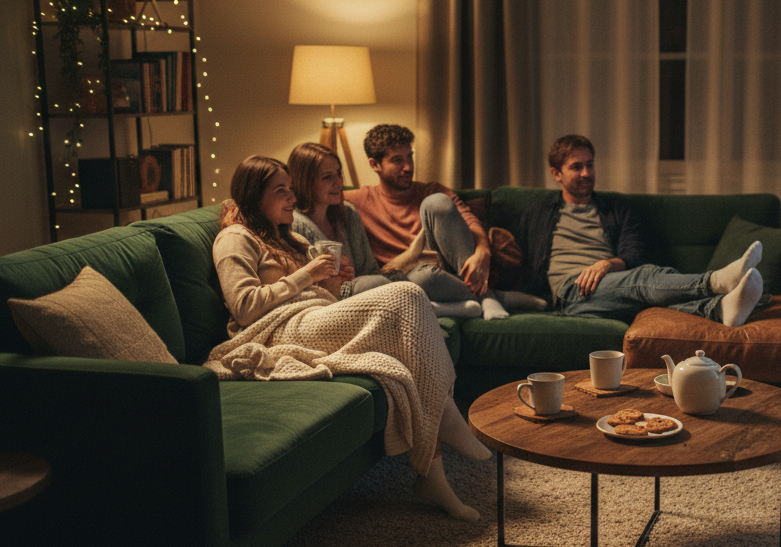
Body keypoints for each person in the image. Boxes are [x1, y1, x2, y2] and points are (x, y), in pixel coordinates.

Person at [208, 154, 491, 522]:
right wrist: (306, 275)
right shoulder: (234, 238)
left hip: (315, 316)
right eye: (281, 191)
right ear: (253, 197)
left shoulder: (287, 236)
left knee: (402, 352)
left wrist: (331, 279)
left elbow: (320, 290)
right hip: (278, 329)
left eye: (291, 189)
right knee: (405, 296)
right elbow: (244, 306)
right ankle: (446, 412)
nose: (292, 198)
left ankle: (431, 476)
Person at [517, 134, 765, 326]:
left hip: (607, 290)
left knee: (651, 306)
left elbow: (633, 252)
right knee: (640, 279)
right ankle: (717, 280)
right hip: (570, 291)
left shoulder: (617, 208)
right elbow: (519, 261)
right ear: (556, 173)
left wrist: (608, 264)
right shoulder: (538, 213)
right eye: (576, 167)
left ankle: (721, 309)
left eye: (590, 165)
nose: (586, 173)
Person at [345, 124, 546, 319]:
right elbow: (316, 199)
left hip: (451, 273)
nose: (408, 167)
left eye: (410, 157)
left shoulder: (431, 189)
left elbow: (470, 221)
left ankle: (470, 299)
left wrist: (483, 250)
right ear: (375, 165)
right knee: (421, 278)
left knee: (437, 202)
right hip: (413, 279)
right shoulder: (356, 201)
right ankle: (492, 297)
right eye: (397, 160)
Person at [286, 142, 423, 298]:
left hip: (364, 288)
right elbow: (305, 285)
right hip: (331, 298)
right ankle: (427, 303)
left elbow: (369, 270)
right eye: (327, 177)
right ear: (305, 182)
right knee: (387, 284)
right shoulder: (295, 223)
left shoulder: (348, 213)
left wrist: (351, 274)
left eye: (338, 174)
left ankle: (438, 305)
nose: (338, 183)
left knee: (425, 274)